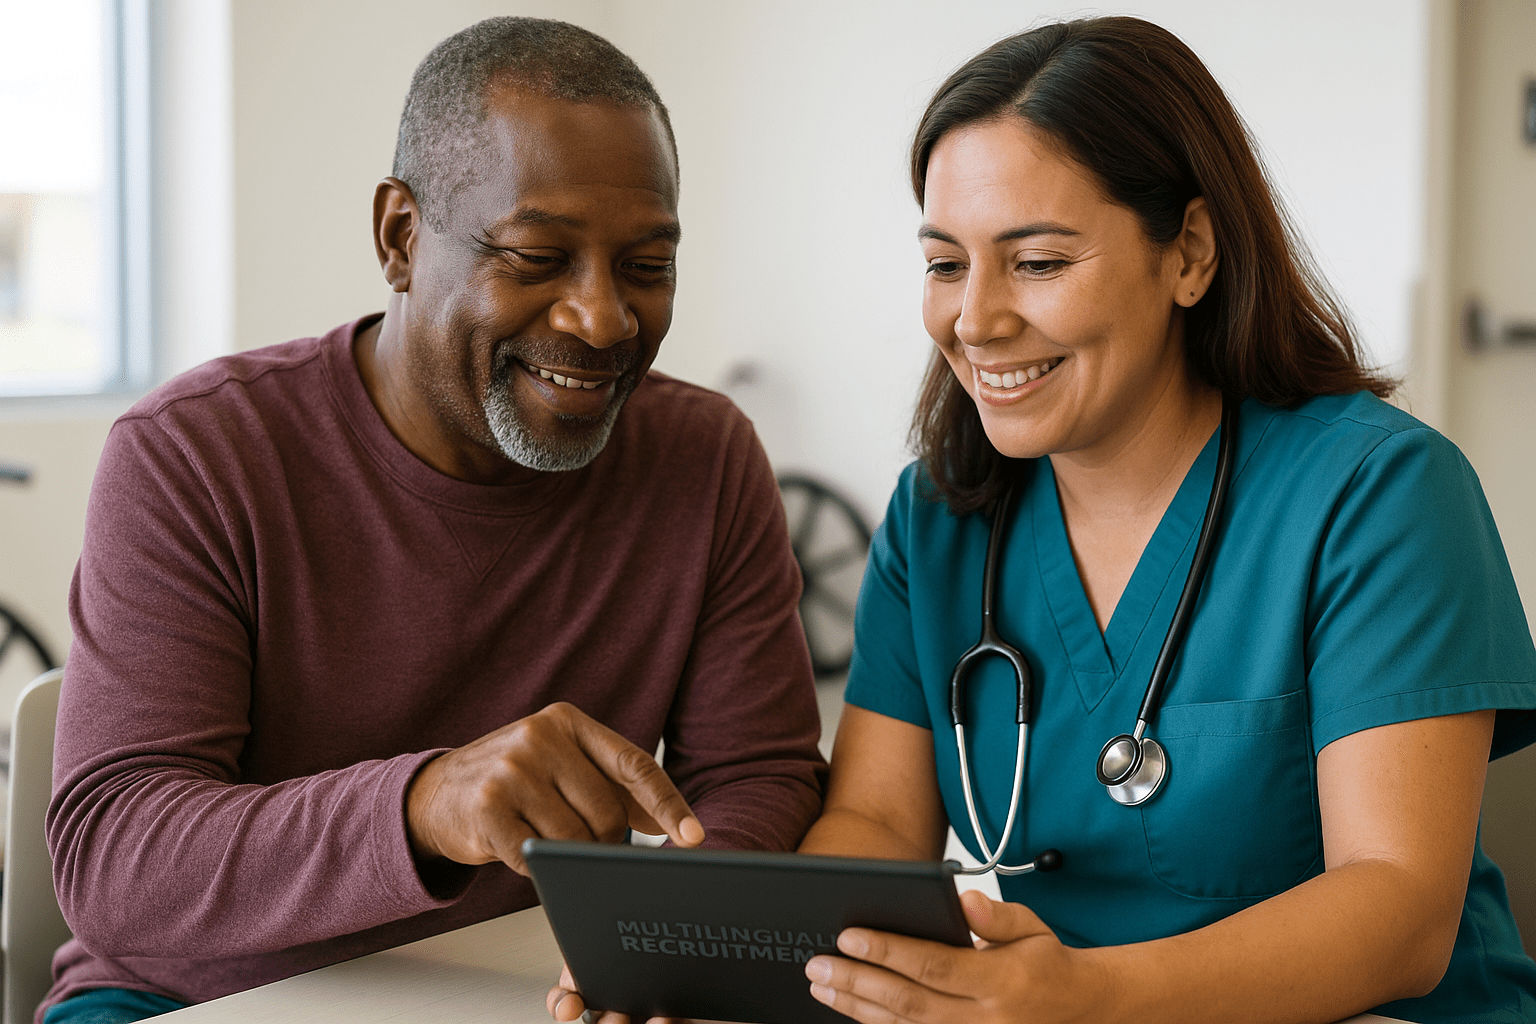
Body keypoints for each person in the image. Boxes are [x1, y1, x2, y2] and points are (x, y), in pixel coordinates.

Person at [44, 17, 827, 1024]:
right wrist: (423, 805)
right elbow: (117, 854)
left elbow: (757, 778)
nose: (603, 320)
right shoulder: (194, 453)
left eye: (646, 265)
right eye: (537, 256)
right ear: (401, 238)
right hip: (185, 997)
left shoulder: (704, 458)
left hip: (512, 986)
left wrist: (671, 943)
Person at [797, 17, 1536, 1024]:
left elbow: (1400, 907)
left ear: (1188, 253)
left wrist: (1084, 998)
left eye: (1038, 262)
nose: (975, 320)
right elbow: (875, 821)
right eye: (944, 263)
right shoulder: (937, 520)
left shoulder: (1381, 494)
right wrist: (778, 964)